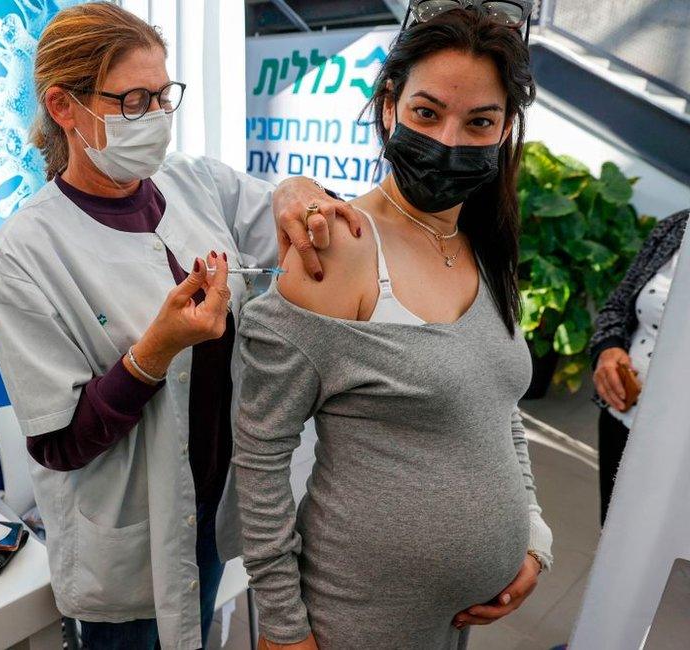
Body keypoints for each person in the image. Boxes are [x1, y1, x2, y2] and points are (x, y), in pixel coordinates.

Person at [0, 4, 360, 648]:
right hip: (127, 541)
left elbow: (280, 216)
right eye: (132, 101)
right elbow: (57, 443)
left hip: (207, 511)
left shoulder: (195, 183)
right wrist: (154, 351)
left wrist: (297, 190)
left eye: (163, 96)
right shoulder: (24, 254)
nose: (155, 117)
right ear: (64, 108)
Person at [233, 3, 553, 648]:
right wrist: (284, 627)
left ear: (506, 128)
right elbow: (260, 453)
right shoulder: (340, 248)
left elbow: (499, 412)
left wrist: (532, 537)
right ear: (388, 107)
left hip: (458, 615)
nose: (449, 142)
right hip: (358, 612)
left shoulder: (484, 248)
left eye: (480, 121)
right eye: (427, 113)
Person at [590, 208, 688, 525]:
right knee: (612, 538)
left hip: (679, 451)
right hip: (624, 418)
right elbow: (617, 306)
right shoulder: (676, 226)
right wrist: (608, 349)